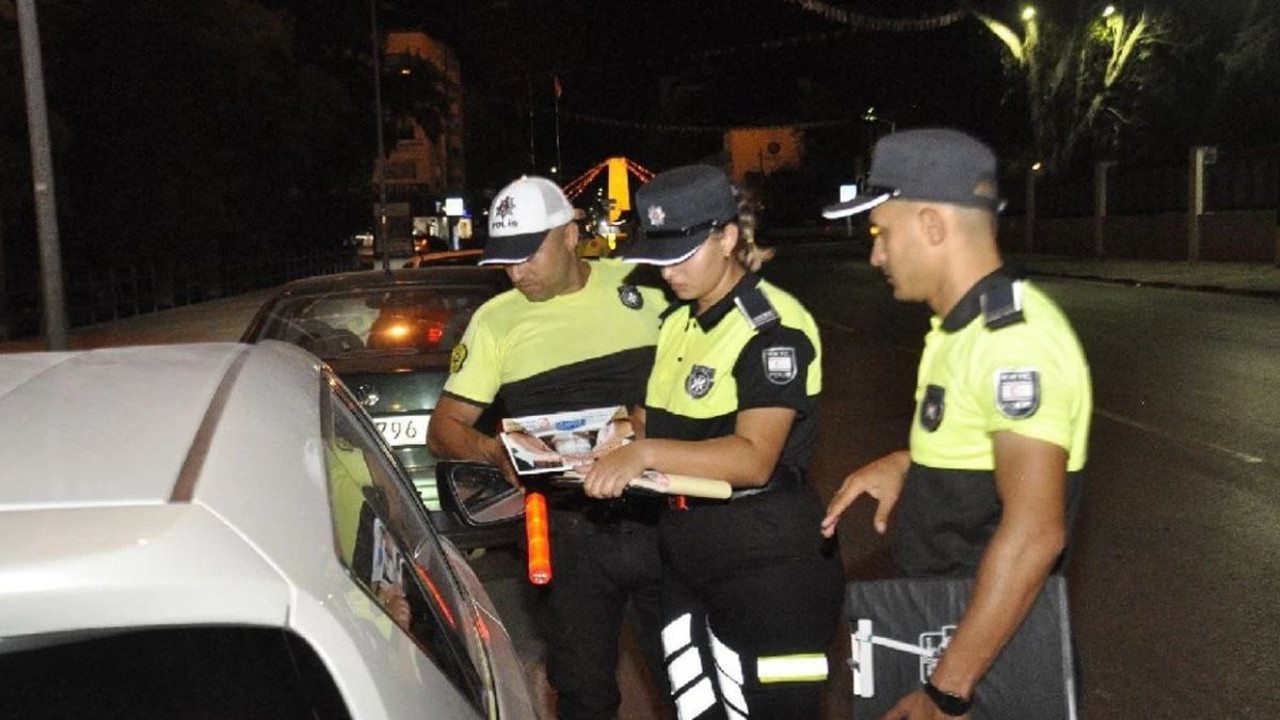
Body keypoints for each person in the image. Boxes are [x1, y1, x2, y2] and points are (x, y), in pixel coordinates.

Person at [818, 128, 1093, 719]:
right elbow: (985, 451)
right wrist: (912, 466)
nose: (876, 255)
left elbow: (1034, 532)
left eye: (881, 234)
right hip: (950, 628)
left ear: (932, 227)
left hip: (986, 661)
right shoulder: (956, 331)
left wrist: (946, 692)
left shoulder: (1012, 344)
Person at [581, 164, 844, 719]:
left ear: (727, 238)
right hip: (684, 554)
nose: (669, 271)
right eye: (659, 255)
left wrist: (644, 454)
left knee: (777, 713)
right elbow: (646, 420)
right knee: (697, 709)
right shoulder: (677, 322)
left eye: (683, 253)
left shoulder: (773, 328)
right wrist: (596, 448)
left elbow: (754, 459)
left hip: (769, 562)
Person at [425, 175, 671, 720]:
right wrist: (499, 453)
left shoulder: (646, 285)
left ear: (570, 234)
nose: (517, 274)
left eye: (528, 255)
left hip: (667, 523)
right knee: (583, 696)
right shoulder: (496, 321)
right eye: (506, 261)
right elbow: (443, 430)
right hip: (569, 537)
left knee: (690, 686)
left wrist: (646, 418)